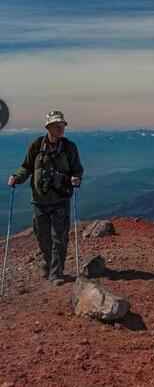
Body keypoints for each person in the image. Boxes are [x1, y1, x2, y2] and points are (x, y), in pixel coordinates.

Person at [7, 111, 84, 286]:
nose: (61, 128)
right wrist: (16, 177)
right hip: (39, 201)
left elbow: (77, 169)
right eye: (57, 125)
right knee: (42, 237)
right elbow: (26, 167)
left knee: (59, 237)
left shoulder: (69, 148)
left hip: (60, 200)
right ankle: (49, 264)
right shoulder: (36, 146)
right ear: (48, 127)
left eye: (62, 125)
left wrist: (76, 179)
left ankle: (56, 273)